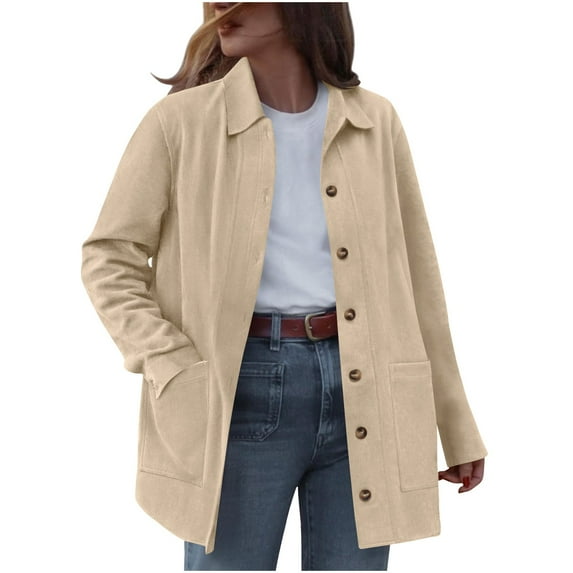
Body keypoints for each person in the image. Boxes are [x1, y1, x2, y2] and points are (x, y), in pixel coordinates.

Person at [81, 2, 488, 571]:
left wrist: (456, 423)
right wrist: (167, 357)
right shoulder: (179, 123)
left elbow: (418, 280)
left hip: (366, 386)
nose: (222, 7)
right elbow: (109, 256)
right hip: (237, 390)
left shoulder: (375, 121)